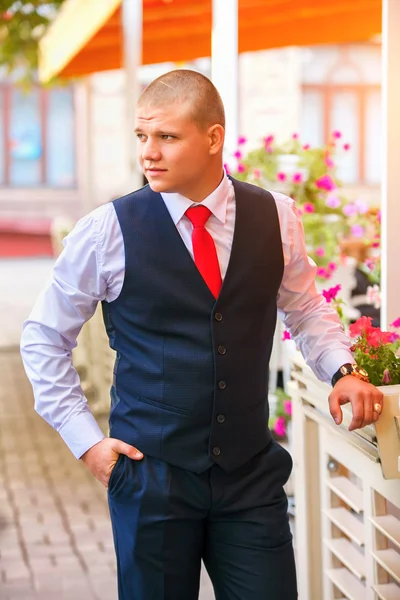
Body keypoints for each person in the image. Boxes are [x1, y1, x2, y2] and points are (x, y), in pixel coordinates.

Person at [21, 69, 383, 600]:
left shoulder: (275, 215)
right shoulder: (107, 229)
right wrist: (88, 444)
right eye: (142, 136)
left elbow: (305, 307)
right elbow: (43, 338)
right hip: (151, 480)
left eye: (167, 137)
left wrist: (343, 371)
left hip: (249, 473)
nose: (149, 152)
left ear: (213, 137)